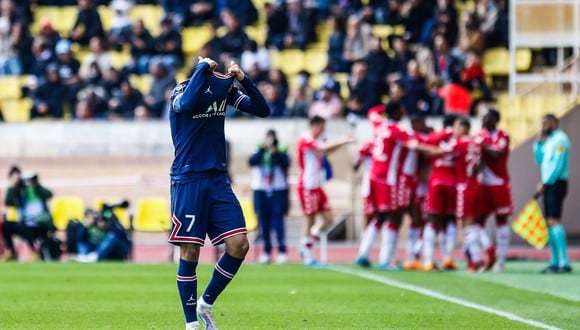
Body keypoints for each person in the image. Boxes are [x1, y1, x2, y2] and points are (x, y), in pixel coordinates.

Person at [168, 56, 269, 330]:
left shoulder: (223, 91)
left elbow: (262, 109)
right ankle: (191, 324)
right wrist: (202, 67)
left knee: (239, 244)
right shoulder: (181, 91)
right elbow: (187, 104)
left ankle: (206, 302)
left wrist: (243, 80)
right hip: (188, 179)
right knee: (190, 252)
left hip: (217, 180)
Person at [296, 115, 354, 266]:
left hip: (318, 186)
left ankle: (306, 245)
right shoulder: (306, 139)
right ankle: (307, 253)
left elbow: (327, 150)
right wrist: (344, 140)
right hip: (307, 186)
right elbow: (323, 148)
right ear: (315, 126)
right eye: (322, 127)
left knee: (328, 219)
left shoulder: (317, 140)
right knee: (310, 219)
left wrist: (342, 143)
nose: (323, 131)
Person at [533, 114, 571, 273]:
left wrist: (546, 182)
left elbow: (558, 164)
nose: (544, 126)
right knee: (549, 222)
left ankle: (564, 261)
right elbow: (539, 159)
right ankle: (554, 260)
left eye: (546, 123)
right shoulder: (548, 140)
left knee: (554, 220)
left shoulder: (560, 139)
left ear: (555, 122)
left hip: (556, 183)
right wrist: (538, 143)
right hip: (549, 184)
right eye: (542, 124)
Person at [477, 109, 512, 272]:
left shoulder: (502, 136)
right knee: (479, 220)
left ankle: (502, 259)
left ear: (495, 119)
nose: (483, 119)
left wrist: (480, 145)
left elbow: (496, 154)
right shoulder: (480, 135)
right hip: (482, 184)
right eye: (482, 116)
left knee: (501, 219)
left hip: (498, 183)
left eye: (487, 116)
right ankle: (489, 249)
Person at [248, 129, 290, 264]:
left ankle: (282, 251)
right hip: (261, 189)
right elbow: (252, 162)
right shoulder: (259, 148)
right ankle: (266, 251)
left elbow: (286, 163)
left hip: (277, 189)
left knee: (278, 221)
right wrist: (263, 150)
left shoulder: (281, 149)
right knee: (263, 223)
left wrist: (276, 151)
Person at [1, 165, 24, 261]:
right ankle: (11, 252)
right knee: (6, 228)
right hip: (13, 219)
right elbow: (8, 202)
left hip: (24, 220)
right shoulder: (10, 190)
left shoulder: (24, 189)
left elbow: (21, 203)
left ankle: (34, 252)